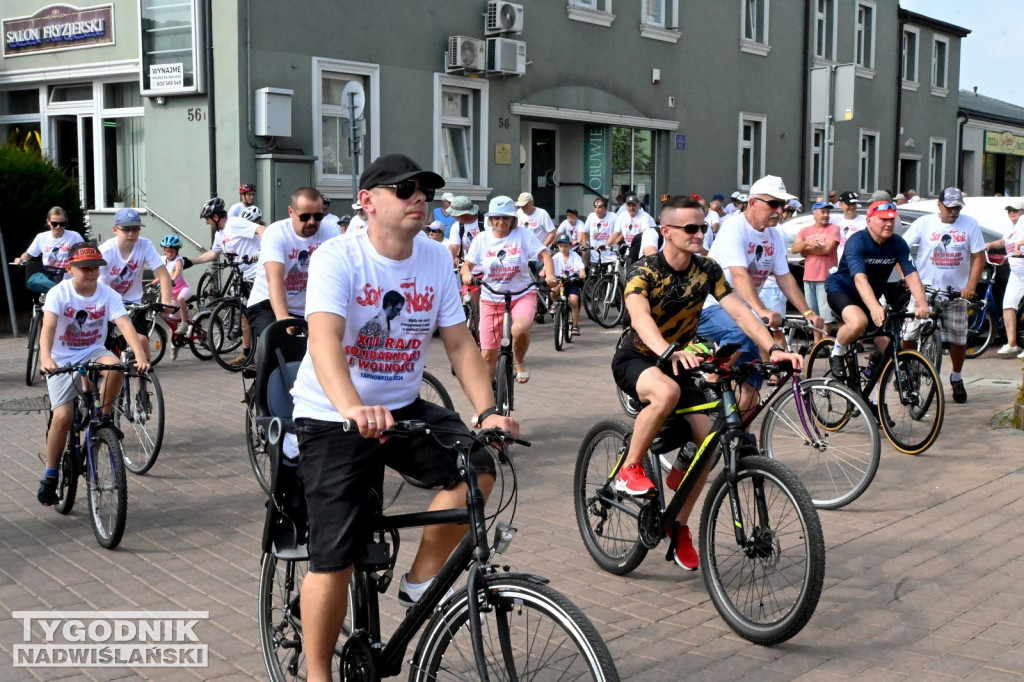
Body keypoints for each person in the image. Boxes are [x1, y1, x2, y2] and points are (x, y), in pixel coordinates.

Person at [288, 153, 518, 682]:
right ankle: (317, 674)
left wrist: (489, 412)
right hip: (332, 414)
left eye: (426, 190)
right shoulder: (337, 258)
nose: (421, 197)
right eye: (406, 188)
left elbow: (459, 345)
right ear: (367, 201)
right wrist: (350, 407)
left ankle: (421, 579)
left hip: (401, 407)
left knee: (480, 464)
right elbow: (324, 341)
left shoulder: (435, 258)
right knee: (336, 557)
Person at [612, 196, 802, 571]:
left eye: (704, 228)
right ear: (666, 231)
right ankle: (629, 468)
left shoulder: (707, 269)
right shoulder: (644, 271)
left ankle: (678, 524)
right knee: (666, 392)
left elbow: (738, 311)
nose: (700, 234)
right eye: (691, 229)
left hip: (678, 360)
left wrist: (773, 348)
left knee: (709, 444)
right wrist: (666, 351)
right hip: (640, 357)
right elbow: (640, 316)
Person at [36, 242, 150, 505]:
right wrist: (46, 358)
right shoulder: (59, 293)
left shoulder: (107, 294)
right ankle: (50, 475)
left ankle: (104, 420)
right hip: (61, 358)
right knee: (63, 416)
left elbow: (124, 324)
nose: (91, 273)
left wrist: (141, 355)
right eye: (85, 268)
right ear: (70, 267)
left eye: (96, 268)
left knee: (114, 366)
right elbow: (49, 328)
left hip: (92, 350)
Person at [697, 175, 823, 408]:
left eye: (781, 205)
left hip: (745, 313)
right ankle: (709, 382)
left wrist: (807, 312)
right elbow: (739, 274)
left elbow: (784, 277)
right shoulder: (734, 227)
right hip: (711, 305)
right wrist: (761, 309)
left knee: (752, 385)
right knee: (740, 332)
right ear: (753, 203)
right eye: (772, 204)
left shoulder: (775, 235)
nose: (778, 210)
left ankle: (736, 438)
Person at [825, 200, 930, 378]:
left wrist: (923, 304)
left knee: (890, 347)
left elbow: (911, 274)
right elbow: (860, 279)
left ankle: (875, 399)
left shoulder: (897, 243)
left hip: (869, 295)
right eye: (883, 219)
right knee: (859, 322)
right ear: (869, 221)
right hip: (843, 290)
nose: (889, 224)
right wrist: (874, 307)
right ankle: (836, 352)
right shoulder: (857, 241)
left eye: (891, 220)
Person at [900, 188, 986, 403]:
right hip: (924, 291)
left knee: (959, 338)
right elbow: (900, 250)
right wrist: (908, 279)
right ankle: (907, 368)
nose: (954, 212)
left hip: (955, 293)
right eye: (950, 207)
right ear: (939, 205)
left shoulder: (970, 224)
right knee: (909, 334)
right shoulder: (924, 224)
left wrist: (971, 285)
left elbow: (978, 257)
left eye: (957, 207)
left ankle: (956, 377)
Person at [461, 196, 557, 384]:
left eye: (505, 217)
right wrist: (466, 274)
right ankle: (486, 407)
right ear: (490, 219)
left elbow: (545, 254)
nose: (501, 222)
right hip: (491, 297)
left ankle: (519, 360)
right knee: (488, 355)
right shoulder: (482, 239)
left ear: (513, 219)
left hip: (521, 294)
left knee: (520, 328)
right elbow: (467, 265)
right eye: (496, 217)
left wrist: (550, 275)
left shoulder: (523, 234)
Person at [246, 187, 341, 342]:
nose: (312, 222)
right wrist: (283, 317)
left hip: (307, 308)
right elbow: (274, 279)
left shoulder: (330, 233)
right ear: (291, 212)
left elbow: (339, 275)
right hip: (268, 303)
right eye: (304, 216)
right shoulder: (276, 233)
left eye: (318, 216)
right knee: (278, 342)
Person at [98, 208, 173, 361]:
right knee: (100, 348)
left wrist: (165, 302)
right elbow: (92, 280)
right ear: (115, 230)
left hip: (133, 302)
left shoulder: (145, 245)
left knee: (142, 340)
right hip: (106, 301)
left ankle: (143, 379)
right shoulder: (106, 250)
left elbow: (164, 276)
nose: (131, 234)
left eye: (135, 229)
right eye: (126, 229)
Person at [792, 201, 841, 341]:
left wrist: (805, 250)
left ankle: (824, 343)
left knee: (826, 315)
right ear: (814, 213)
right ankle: (816, 344)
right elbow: (795, 249)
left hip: (826, 277)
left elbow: (827, 249)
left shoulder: (833, 229)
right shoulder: (805, 231)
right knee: (812, 312)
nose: (826, 215)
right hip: (809, 276)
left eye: (827, 212)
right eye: (822, 212)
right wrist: (807, 243)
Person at [986, 199, 1024, 357]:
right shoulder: (1012, 229)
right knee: (1008, 305)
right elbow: (1003, 241)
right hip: (1017, 272)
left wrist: (1019, 245)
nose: (1011, 213)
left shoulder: (1023, 221)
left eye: (1015, 210)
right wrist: (989, 245)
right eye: (1009, 210)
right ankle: (1012, 343)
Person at [14, 207, 84, 281]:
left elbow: (84, 253)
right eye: (54, 224)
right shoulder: (41, 237)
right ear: (48, 222)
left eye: (62, 224)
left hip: (69, 277)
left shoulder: (74, 236)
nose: (58, 227)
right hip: (49, 277)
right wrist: (21, 260)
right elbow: (28, 254)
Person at [159, 234, 192, 355]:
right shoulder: (162, 260)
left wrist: (172, 279)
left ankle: (184, 323)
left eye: (172, 250)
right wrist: (152, 283)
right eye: (167, 250)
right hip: (171, 293)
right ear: (164, 250)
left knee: (181, 298)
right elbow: (161, 275)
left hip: (184, 289)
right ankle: (174, 346)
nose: (169, 252)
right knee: (172, 321)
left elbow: (177, 271)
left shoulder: (179, 260)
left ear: (177, 250)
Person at [550, 233, 586, 335]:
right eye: (561, 246)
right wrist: (544, 271)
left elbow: (580, 266)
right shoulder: (556, 257)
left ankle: (575, 325)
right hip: (560, 282)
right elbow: (549, 265)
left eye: (566, 246)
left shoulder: (575, 256)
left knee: (574, 300)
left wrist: (582, 272)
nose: (563, 248)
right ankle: (555, 304)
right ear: (558, 247)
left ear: (570, 246)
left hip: (572, 281)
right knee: (553, 292)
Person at [580, 197, 616, 268]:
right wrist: (584, 244)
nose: (597, 210)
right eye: (595, 207)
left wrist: (615, 242)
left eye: (600, 207)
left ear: (606, 208)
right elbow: (584, 232)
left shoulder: (613, 216)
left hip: (610, 257)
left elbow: (620, 232)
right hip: (595, 256)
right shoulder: (591, 216)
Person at [445, 196, 480, 263]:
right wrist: (446, 262)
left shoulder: (487, 222)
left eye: (454, 214)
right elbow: (453, 246)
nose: (453, 216)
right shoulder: (457, 226)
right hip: (469, 267)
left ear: (462, 214)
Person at [834, 191, 865, 261]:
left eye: (854, 203)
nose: (852, 206)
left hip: (857, 263)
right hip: (837, 264)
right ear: (840, 204)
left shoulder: (865, 221)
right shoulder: (834, 221)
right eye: (849, 204)